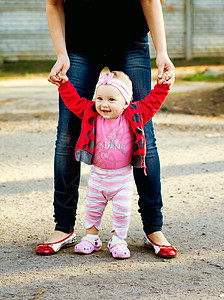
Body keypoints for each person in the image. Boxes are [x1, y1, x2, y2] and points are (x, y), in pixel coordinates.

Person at [36, 0, 177, 258]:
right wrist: (61, 54)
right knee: (67, 135)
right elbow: (54, 3)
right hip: (78, 47)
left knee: (144, 133)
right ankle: (64, 227)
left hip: (130, 44)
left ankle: (153, 227)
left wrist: (162, 52)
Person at [52, 69, 174, 259]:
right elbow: (74, 101)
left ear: (126, 102)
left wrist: (163, 86)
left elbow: (153, 102)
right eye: (99, 98)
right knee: (92, 208)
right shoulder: (91, 114)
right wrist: (64, 85)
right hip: (98, 177)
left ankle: (118, 240)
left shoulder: (135, 114)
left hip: (122, 179)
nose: (103, 104)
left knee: (122, 212)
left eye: (111, 99)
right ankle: (91, 238)